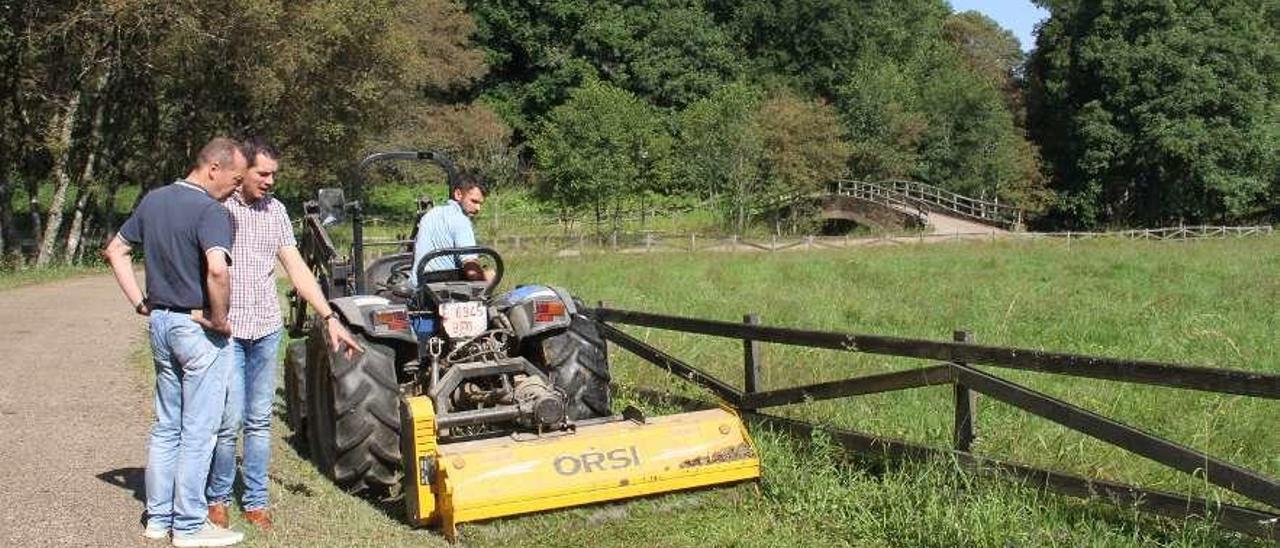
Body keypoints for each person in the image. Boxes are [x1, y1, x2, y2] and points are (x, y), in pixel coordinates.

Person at [206, 137, 362, 531]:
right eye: (263, 173)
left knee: (259, 420)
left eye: (274, 174)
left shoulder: (275, 211)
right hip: (228, 331)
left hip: (265, 329)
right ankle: (218, 499)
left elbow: (297, 269)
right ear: (241, 173)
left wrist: (329, 316)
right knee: (228, 421)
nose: (270, 181)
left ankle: (256, 502)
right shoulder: (218, 209)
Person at [103, 137, 248, 547]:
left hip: (161, 323)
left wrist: (141, 304)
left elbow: (115, 250)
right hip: (196, 328)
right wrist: (219, 320)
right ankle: (188, 525)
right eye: (235, 180)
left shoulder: (153, 200)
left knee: (167, 427)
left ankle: (158, 519)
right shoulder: (210, 211)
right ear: (213, 169)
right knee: (198, 432)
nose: (237, 188)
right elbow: (218, 271)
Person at [410, 172, 491, 287]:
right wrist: (488, 282)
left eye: (480, 204)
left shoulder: (431, 214)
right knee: (491, 274)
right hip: (443, 289)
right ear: (458, 194)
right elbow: (472, 272)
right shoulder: (461, 221)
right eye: (474, 201)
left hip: (418, 286)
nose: (478, 208)